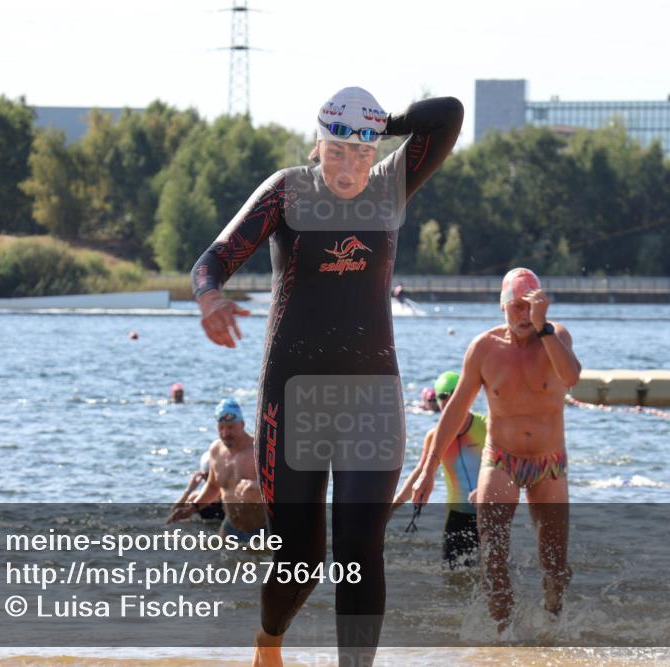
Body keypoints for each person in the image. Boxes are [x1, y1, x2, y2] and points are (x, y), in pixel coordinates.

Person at [191, 86, 463, 667]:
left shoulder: (392, 184)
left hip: (372, 399)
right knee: (301, 560)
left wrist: (378, 122)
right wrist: (210, 299)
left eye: (361, 153)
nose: (350, 166)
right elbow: (211, 261)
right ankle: (268, 642)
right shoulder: (288, 191)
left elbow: (448, 116)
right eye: (337, 150)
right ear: (318, 146)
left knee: (362, 550)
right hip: (292, 402)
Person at [412, 268, 581, 632]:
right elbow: (455, 409)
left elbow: (571, 377)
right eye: (516, 307)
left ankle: (552, 625)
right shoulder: (485, 348)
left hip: (549, 463)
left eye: (531, 306)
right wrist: (427, 470)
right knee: (492, 552)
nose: (524, 316)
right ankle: (502, 633)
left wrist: (545, 327)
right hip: (500, 459)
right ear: (502, 307)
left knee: (555, 564)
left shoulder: (557, 336)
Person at [394, 371, 487, 568]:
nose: (447, 401)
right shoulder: (435, 437)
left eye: (452, 394)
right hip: (457, 516)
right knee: (452, 576)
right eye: (442, 396)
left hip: (488, 512)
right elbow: (421, 472)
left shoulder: (486, 426)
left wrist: (486, 490)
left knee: (493, 572)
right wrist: (395, 504)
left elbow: (501, 464)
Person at [167, 399, 266, 540]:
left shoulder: (258, 450)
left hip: (262, 529)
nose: (226, 433)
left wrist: (258, 486)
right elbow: (213, 487)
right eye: (221, 428)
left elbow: (284, 485)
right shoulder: (216, 450)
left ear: (242, 424)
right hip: (230, 527)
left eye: (231, 427)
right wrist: (192, 509)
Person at [166, 451, 225, 523]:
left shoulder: (231, 496)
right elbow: (172, 517)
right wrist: (188, 490)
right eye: (210, 476)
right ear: (203, 476)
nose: (214, 479)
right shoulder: (196, 498)